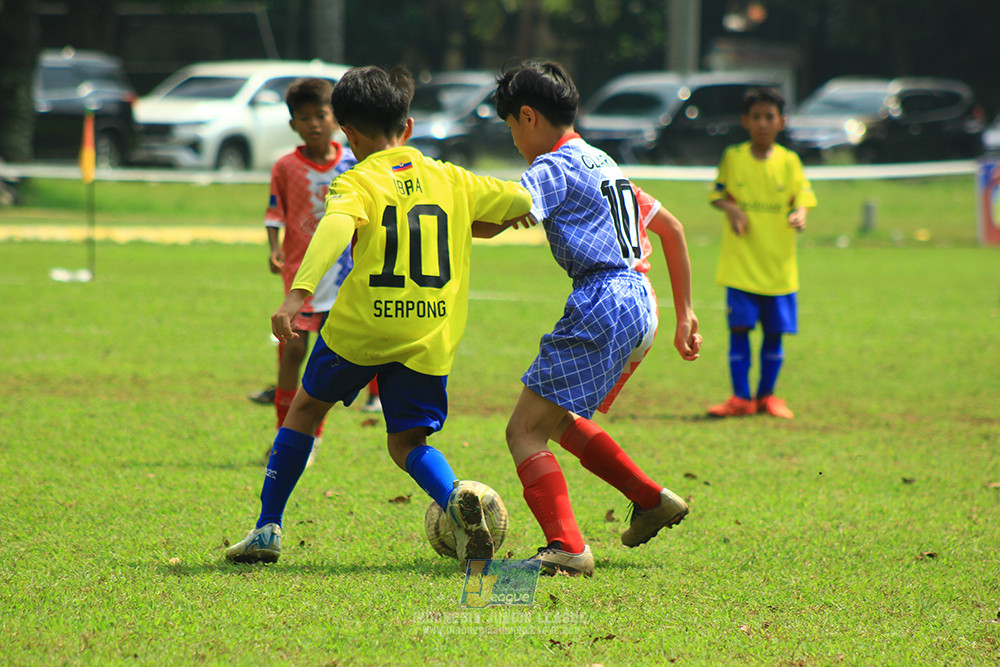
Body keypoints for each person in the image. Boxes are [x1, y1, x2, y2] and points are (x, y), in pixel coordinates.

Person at [225, 65, 534, 569]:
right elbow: (521, 198)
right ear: (407, 127)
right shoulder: (453, 177)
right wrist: (500, 217)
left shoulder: (355, 182)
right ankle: (455, 500)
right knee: (407, 441)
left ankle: (267, 528)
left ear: (348, 132)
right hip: (427, 333)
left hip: (361, 329)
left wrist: (296, 295)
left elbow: (333, 231)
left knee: (305, 411)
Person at [493, 60, 702, 577]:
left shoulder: (552, 167)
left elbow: (495, 221)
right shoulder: (604, 163)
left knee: (523, 431)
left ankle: (566, 546)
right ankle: (650, 499)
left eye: (510, 128)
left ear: (527, 117)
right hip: (642, 303)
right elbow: (671, 229)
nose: (514, 140)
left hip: (603, 298)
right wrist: (686, 313)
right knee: (559, 420)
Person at [248, 77, 380, 427]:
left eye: (321, 115)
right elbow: (275, 212)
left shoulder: (354, 163)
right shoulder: (285, 167)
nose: (314, 124)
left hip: (347, 270)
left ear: (335, 119)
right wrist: (274, 248)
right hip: (302, 271)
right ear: (294, 125)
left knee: (352, 347)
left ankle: (372, 400)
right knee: (292, 349)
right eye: (304, 118)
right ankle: (285, 432)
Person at [706, 87, 817, 419]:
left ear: (781, 122)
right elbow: (717, 194)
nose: (762, 123)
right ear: (745, 121)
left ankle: (767, 396)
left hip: (779, 269)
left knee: (774, 334)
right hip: (741, 266)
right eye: (756, 117)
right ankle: (741, 398)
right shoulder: (733, 157)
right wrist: (732, 209)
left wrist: (800, 214)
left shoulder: (789, 161)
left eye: (769, 117)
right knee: (739, 330)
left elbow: (803, 198)